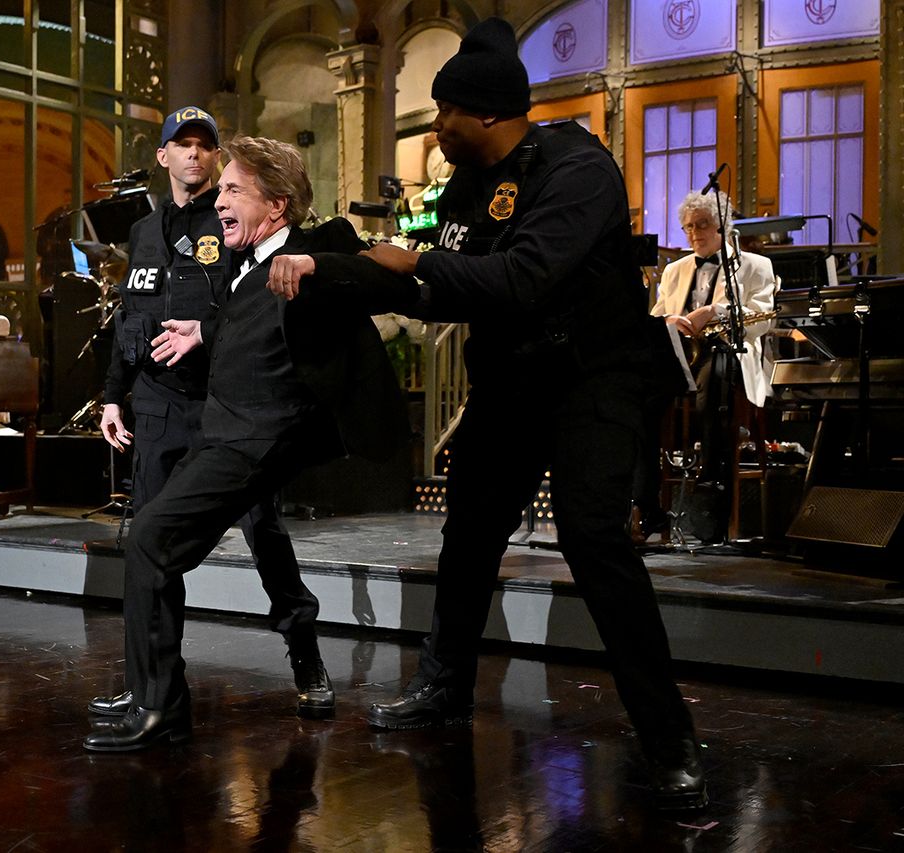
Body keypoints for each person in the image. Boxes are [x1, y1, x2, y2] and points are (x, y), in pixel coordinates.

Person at [266, 19, 707, 810]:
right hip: (510, 382)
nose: (435, 131)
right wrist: (318, 266)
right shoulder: (468, 188)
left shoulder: (579, 171)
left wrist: (420, 263)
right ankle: (445, 685)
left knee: (594, 538)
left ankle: (669, 735)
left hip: (592, 381)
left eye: (444, 116)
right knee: (468, 533)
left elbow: (519, 278)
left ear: (488, 114)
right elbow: (411, 272)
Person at [83, 135, 413, 752]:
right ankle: (152, 698)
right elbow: (244, 315)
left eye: (234, 190)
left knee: (156, 539)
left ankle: (167, 709)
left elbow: (393, 274)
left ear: (277, 207)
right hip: (219, 431)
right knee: (151, 537)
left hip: (258, 439)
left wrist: (324, 263)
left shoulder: (310, 254)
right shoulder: (247, 269)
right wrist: (203, 329)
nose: (221, 200)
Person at [89, 107, 333, 722]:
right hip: (159, 405)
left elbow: (257, 296)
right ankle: (152, 682)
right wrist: (113, 394)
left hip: (225, 407)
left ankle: (305, 653)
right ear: (165, 156)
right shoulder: (144, 232)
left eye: (207, 147)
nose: (196, 156)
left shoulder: (236, 222)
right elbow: (128, 315)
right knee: (149, 536)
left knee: (265, 534)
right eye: (184, 145)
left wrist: (208, 327)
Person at [634, 191, 777, 539]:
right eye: (687, 227)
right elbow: (656, 317)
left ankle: (710, 481)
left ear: (723, 226)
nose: (694, 233)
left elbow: (762, 322)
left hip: (728, 354)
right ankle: (647, 503)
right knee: (639, 397)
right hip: (681, 356)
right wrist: (671, 320)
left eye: (702, 225)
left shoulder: (756, 265)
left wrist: (716, 312)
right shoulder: (674, 269)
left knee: (716, 378)